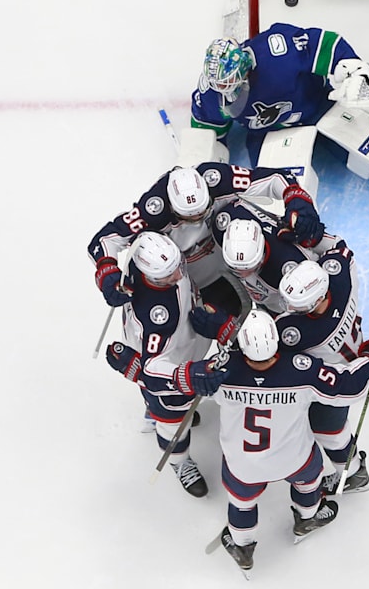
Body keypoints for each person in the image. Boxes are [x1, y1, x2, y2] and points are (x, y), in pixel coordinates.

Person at [179, 22, 369, 233]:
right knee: (283, 204)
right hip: (271, 134)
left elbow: (325, 44)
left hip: (320, 106)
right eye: (221, 86)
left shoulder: (277, 50)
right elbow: (207, 134)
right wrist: (197, 177)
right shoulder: (211, 92)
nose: (227, 92)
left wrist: (354, 69)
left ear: (245, 68)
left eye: (231, 84)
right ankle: (289, 254)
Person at [173, 310, 369, 573]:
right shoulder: (302, 369)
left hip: (244, 465)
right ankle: (308, 518)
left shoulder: (221, 370)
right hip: (295, 458)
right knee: (308, 483)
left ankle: (242, 546)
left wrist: (189, 375)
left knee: (242, 503)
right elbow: (348, 386)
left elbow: (180, 386)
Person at [88, 162, 323, 316]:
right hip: (196, 275)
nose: (200, 219)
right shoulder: (152, 210)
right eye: (191, 218)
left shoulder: (216, 178)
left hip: (242, 248)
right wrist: (108, 275)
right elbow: (104, 240)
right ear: (172, 209)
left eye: (204, 210)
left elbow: (276, 178)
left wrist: (297, 201)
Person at [101, 232, 213, 497]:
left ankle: (162, 412)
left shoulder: (143, 251)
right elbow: (152, 370)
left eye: (177, 267)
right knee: (171, 421)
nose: (178, 275)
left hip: (184, 345)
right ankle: (179, 462)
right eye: (168, 276)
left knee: (175, 409)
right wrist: (189, 375)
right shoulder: (157, 317)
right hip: (170, 370)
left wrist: (105, 272)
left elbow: (109, 238)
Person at [275, 247, 369, 495]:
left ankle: (354, 474)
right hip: (354, 358)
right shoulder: (341, 278)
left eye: (297, 305)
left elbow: (268, 353)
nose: (289, 308)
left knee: (328, 430)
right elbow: (342, 252)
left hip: (337, 382)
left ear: (316, 301)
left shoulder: (299, 332)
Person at [213, 204, 321, 314]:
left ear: (261, 254)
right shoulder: (223, 222)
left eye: (249, 268)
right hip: (260, 298)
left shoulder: (290, 262)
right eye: (236, 269)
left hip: (279, 306)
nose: (244, 274)